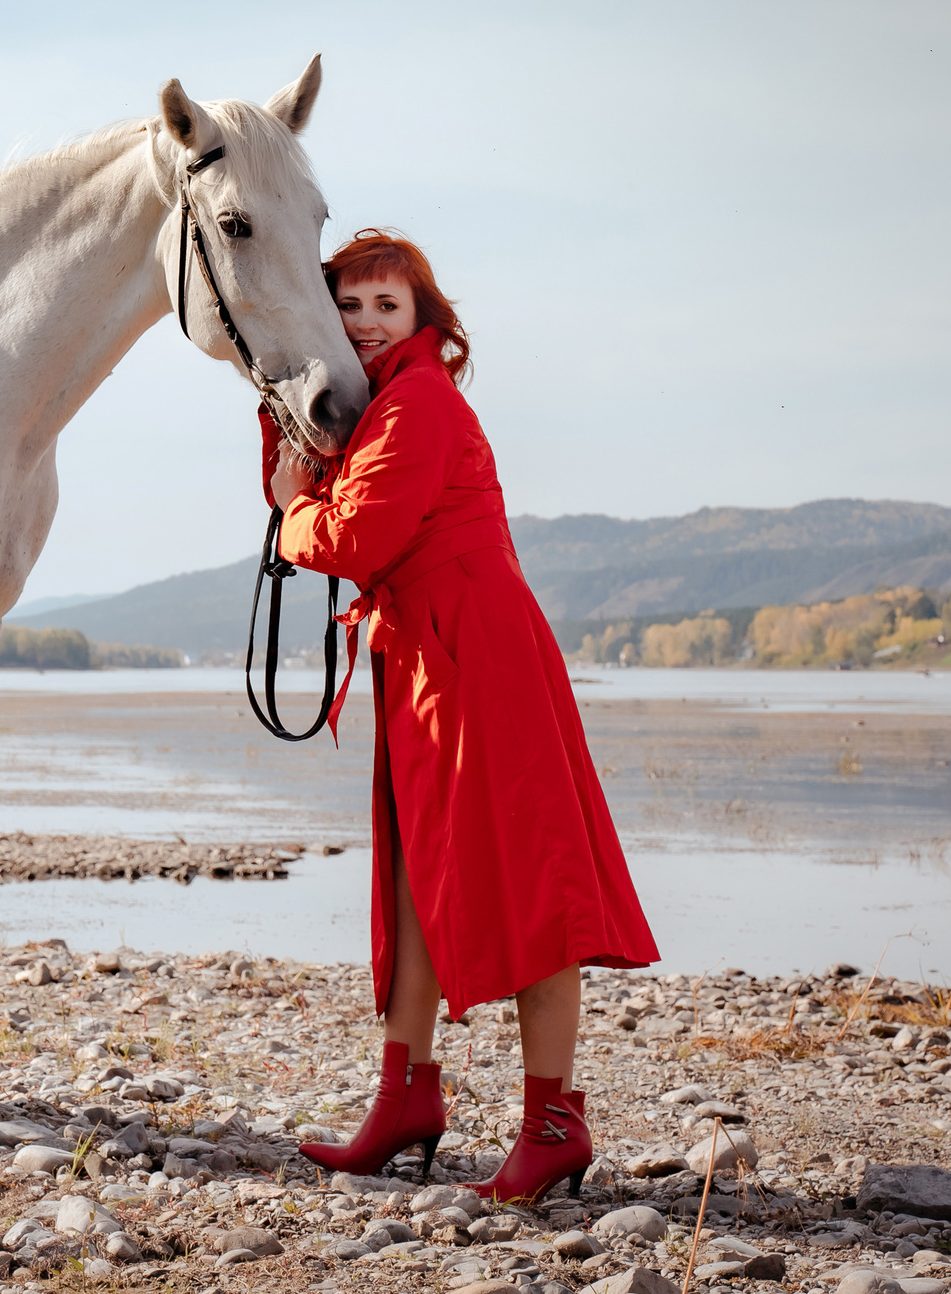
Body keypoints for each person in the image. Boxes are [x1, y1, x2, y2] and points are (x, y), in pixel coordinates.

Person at [268, 228, 659, 1204]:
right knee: (415, 875)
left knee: (530, 876)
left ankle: (553, 1123)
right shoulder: (372, 408)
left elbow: (353, 531)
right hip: (428, 648)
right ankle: (403, 1099)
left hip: (472, 651)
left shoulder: (418, 403)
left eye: (383, 307)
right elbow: (322, 500)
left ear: (421, 320)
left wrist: (289, 514)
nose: (362, 323)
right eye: (345, 306)